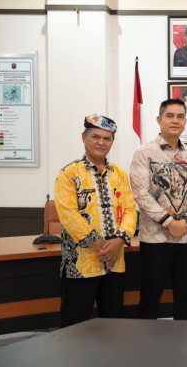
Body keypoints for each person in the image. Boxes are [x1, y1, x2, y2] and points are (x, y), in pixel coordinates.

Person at [130, 98, 187, 320]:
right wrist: (169, 222)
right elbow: (140, 194)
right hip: (155, 240)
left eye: (180, 116)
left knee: (185, 297)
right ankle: (146, 341)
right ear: (159, 119)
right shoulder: (144, 153)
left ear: (185, 121)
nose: (175, 120)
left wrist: (186, 221)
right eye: (170, 116)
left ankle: (183, 340)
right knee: (150, 297)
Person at [55, 114, 137, 328]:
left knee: (113, 325)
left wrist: (119, 242)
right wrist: (103, 248)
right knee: (75, 327)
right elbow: (68, 215)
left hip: (114, 264)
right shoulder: (68, 173)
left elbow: (130, 210)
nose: (101, 142)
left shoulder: (119, 174)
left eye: (107, 138)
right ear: (84, 137)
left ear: (112, 141)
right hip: (80, 265)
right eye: (96, 137)